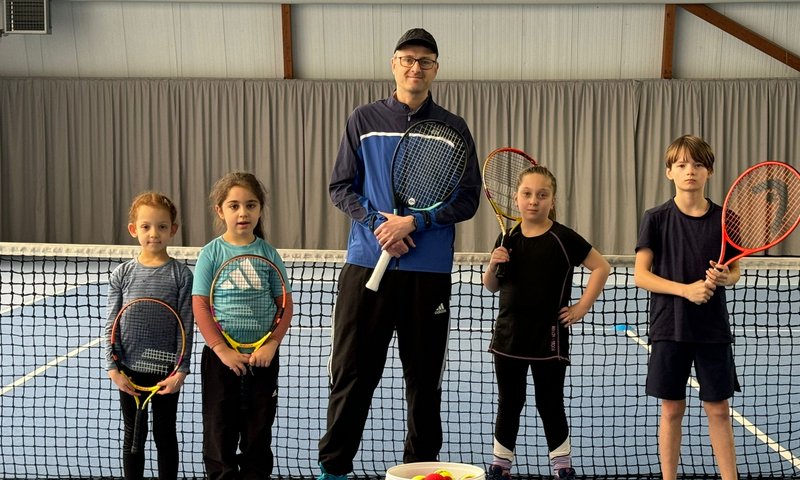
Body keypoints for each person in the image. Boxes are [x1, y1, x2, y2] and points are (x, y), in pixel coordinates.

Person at [319, 28, 482, 480]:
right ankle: (333, 470)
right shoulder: (363, 118)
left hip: (427, 273)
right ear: (394, 64)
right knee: (353, 375)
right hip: (366, 267)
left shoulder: (454, 128)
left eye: (425, 61)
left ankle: (420, 470)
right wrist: (378, 224)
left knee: (424, 382)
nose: (416, 67)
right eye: (407, 59)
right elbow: (340, 187)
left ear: (436, 68)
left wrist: (415, 222)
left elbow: (467, 198)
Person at [482, 165, 610, 480]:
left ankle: (562, 467)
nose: (534, 201)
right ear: (515, 198)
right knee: (509, 403)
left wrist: (581, 306)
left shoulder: (564, 238)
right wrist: (491, 264)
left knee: (549, 402)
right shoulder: (506, 237)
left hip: (548, 340)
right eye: (527, 194)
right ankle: (500, 466)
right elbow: (492, 285)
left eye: (542, 195)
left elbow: (601, 267)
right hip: (508, 338)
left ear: (552, 200)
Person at [634, 135, 741, 480]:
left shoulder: (727, 219)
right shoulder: (655, 218)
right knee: (671, 410)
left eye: (697, 164)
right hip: (669, 327)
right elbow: (640, 275)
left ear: (709, 171)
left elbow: (735, 269)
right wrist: (686, 290)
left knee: (719, 410)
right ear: (669, 172)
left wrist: (726, 277)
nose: (689, 171)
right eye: (681, 165)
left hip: (712, 329)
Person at [192, 171, 294, 480]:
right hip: (220, 361)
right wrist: (221, 349)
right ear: (220, 211)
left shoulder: (268, 253)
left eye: (250, 205)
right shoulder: (211, 253)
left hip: (263, 359)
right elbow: (200, 306)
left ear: (260, 209)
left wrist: (271, 344)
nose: (243, 213)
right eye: (234, 205)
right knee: (219, 428)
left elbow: (285, 306)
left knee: (258, 429)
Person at [104, 191, 195, 480]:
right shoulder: (122, 274)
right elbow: (111, 324)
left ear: (173, 230)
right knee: (134, 434)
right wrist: (113, 368)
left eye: (162, 226)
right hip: (128, 370)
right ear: (134, 230)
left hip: (166, 371)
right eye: (145, 226)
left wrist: (180, 370)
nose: (153, 233)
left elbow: (186, 325)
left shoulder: (182, 275)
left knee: (165, 433)